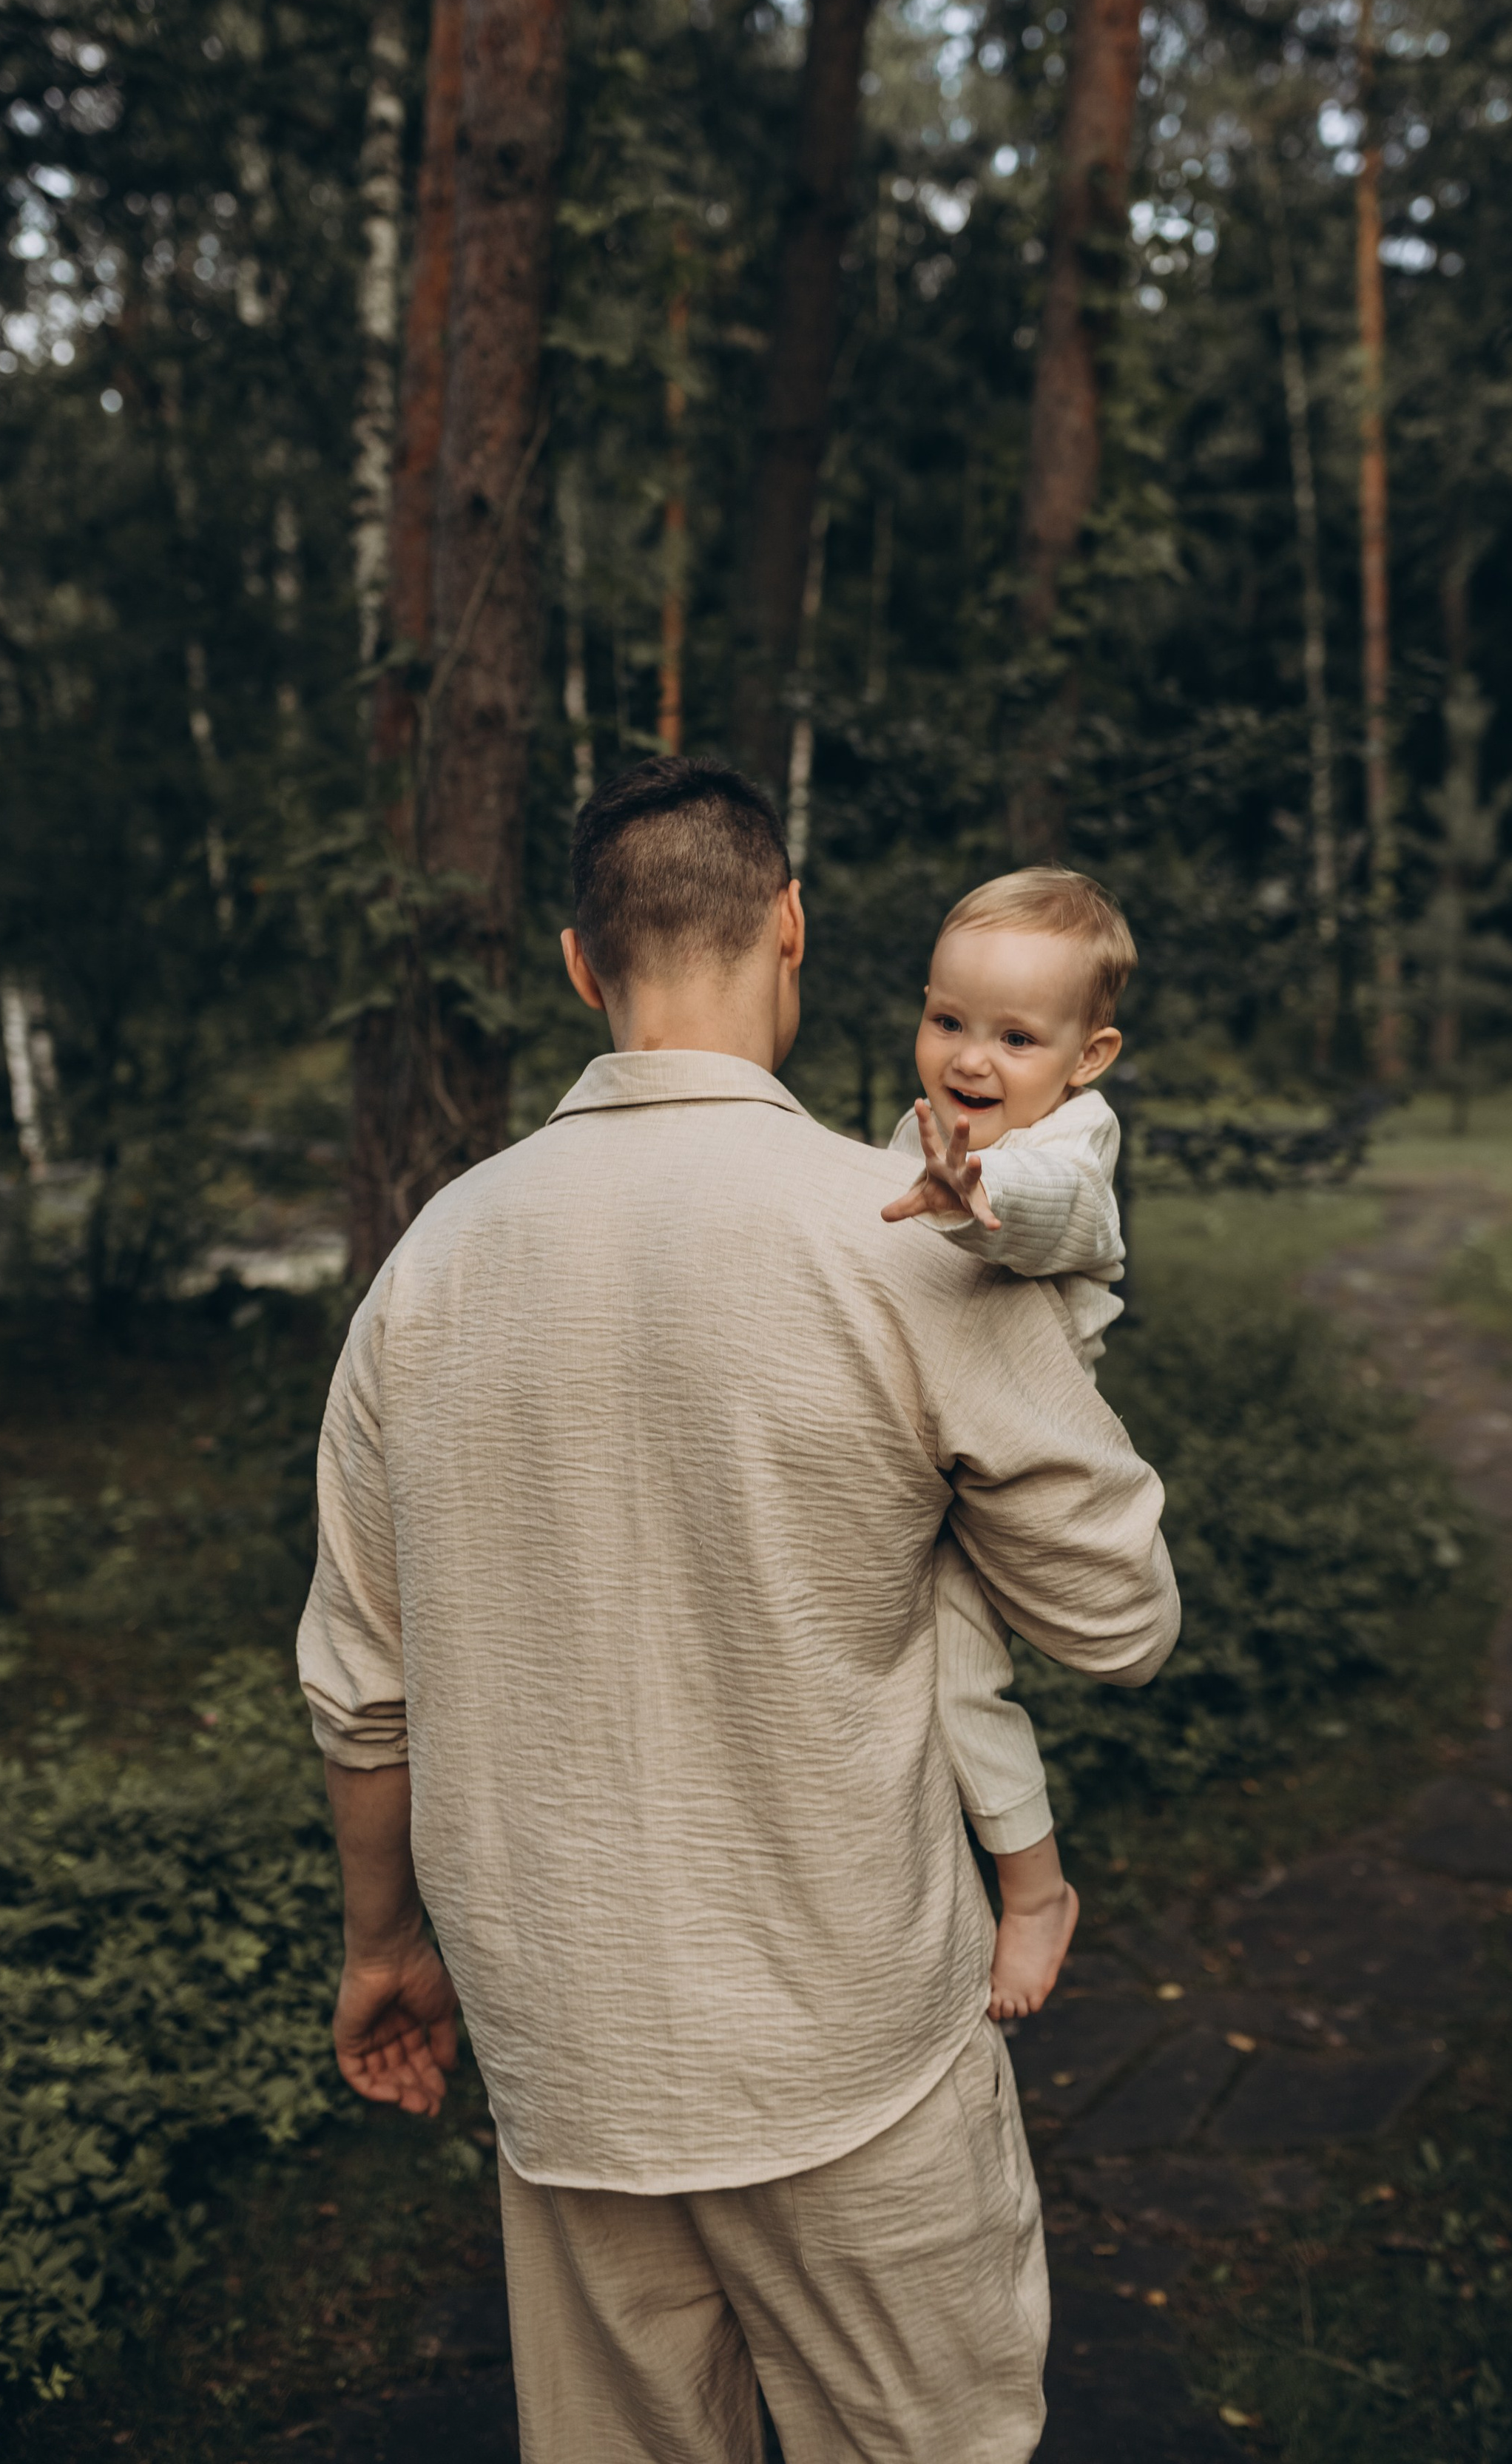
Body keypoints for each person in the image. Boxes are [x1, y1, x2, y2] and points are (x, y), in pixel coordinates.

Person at [297, 755, 1178, 2464]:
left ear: (578, 967)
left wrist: (384, 1946)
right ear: (790, 927)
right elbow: (1116, 1622)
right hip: (850, 2050)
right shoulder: (900, 1241)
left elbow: (361, 1690)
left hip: (567, 2059)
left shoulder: (431, 1263)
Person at [879, 868, 1133, 2025]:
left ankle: (1035, 1890)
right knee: (921, 1675)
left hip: (1021, 1466)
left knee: (962, 1685)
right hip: (930, 1453)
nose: (970, 1059)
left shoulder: (1070, 1146)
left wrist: (967, 1186)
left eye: (1016, 1037)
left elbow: (1041, 1209)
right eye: (947, 1021)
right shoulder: (924, 1136)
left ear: (1089, 1058)